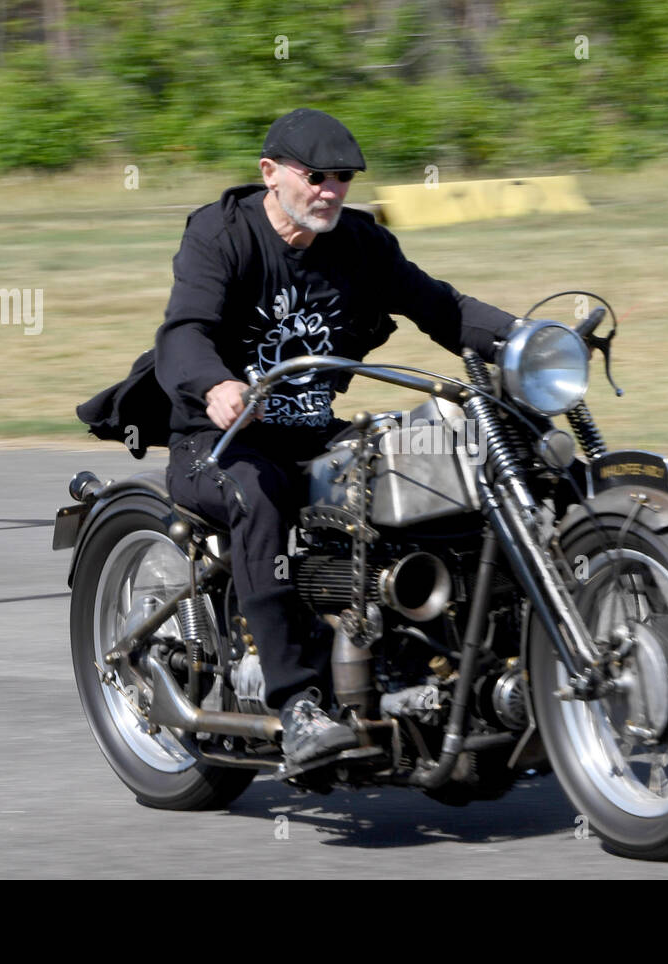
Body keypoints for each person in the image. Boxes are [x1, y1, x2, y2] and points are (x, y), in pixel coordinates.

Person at [154, 108, 517, 769]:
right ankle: (297, 707)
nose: (330, 190)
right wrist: (215, 385)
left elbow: (442, 308)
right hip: (218, 441)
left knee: (427, 479)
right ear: (271, 173)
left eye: (343, 178)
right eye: (316, 176)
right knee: (257, 498)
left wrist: (524, 342)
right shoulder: (222, 234)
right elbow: (183, 332)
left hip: (313, 434)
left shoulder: (360, 243)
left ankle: (424, 667)